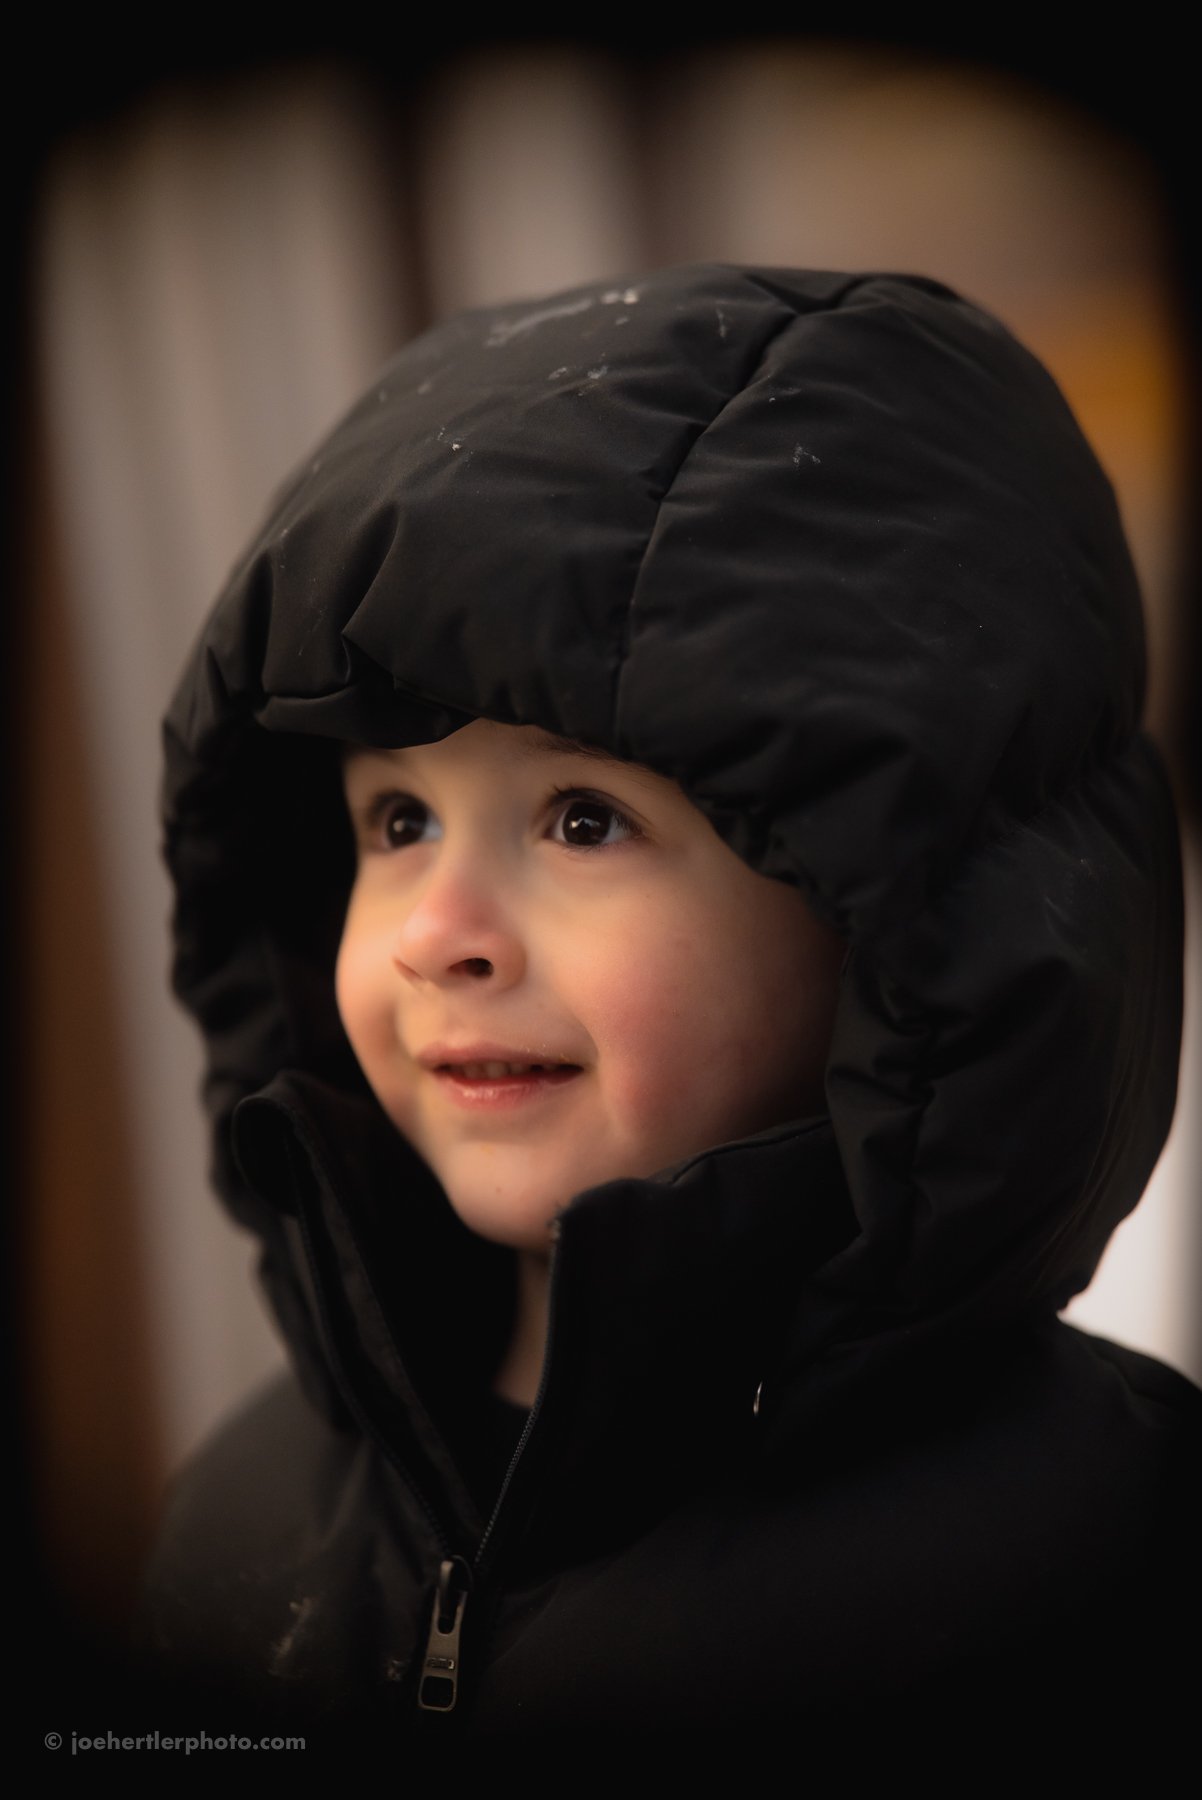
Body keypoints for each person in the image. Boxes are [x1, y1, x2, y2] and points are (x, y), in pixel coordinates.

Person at [145, 264, 1200, 1748]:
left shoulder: (1099, 1562)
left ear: (889, 924)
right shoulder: (238, 1518)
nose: (438, 933)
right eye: (395, 824)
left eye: (581, 820)